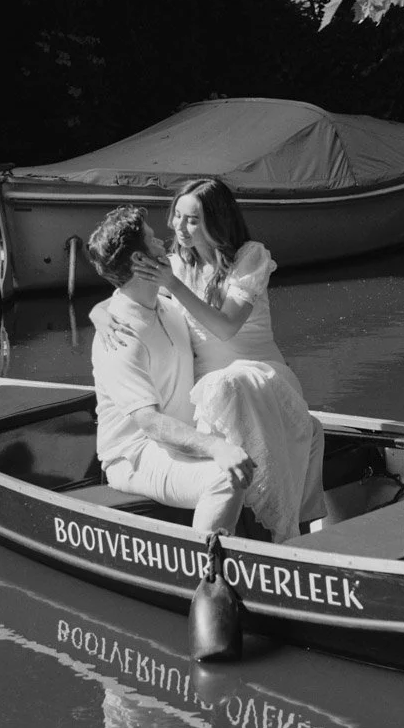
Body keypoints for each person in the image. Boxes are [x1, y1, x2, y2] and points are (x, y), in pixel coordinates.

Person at [92, 178, 327, 541]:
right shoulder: (174, 266)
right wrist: (99, 314)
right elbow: (126, 287)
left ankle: (294, 534)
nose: (178, 228)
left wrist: (173, 286)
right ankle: (228, 556)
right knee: (219, 390)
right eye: (177, 217)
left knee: (230, 383)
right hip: (210, 396)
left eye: (192, 219)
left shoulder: (249, 257)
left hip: (260, 376)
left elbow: (226, 327)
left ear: (215, 221)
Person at [85, 205, 253, 535]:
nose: (163, 242)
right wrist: (217, 448)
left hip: (180, 439)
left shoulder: (168, 303)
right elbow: (150, 423)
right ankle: (207, 581)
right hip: (134, 456)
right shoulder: (119, 338)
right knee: (226, 477)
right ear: (139, 261)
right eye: (151, 239)